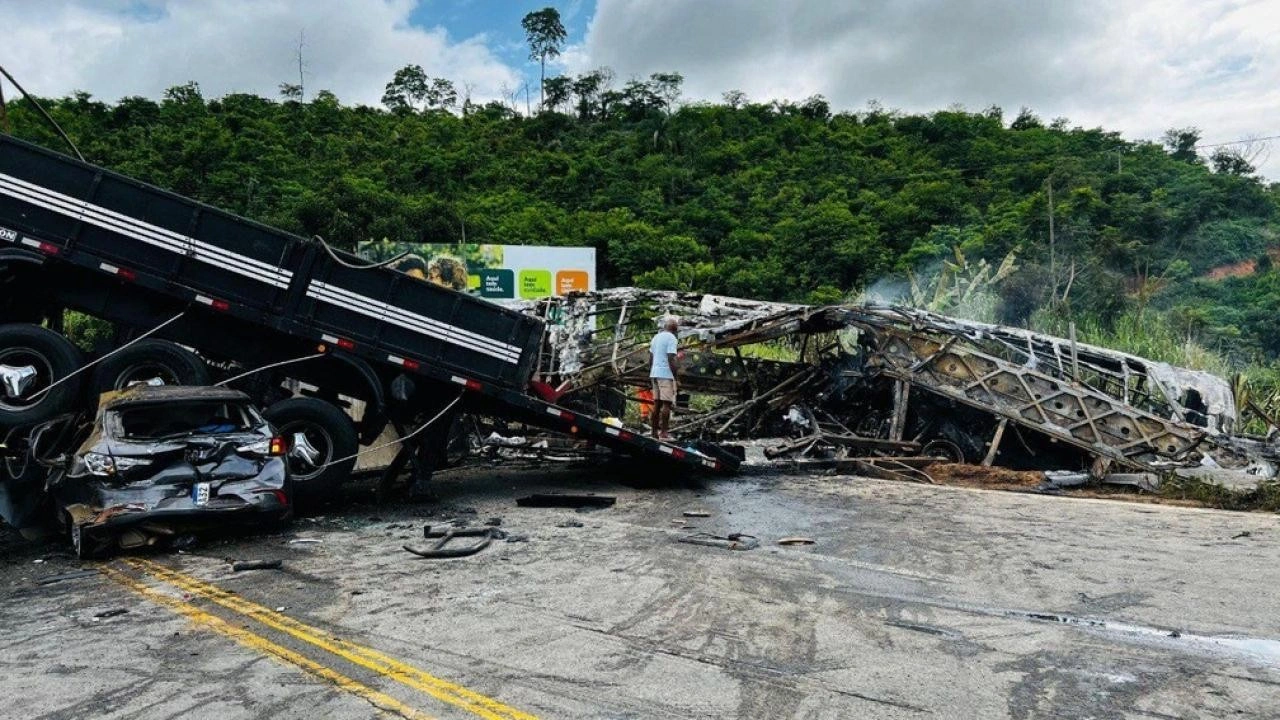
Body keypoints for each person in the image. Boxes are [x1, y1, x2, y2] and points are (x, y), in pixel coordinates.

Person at [648, 317, 680, 439]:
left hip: (655, 373)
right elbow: (671, 358)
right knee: (667, 404)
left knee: (657, 404)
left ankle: (654, 432)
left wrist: (652, 372)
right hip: (666, 374)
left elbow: (650, 358)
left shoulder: (656, 338)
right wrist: (675, 377)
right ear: (674, 329)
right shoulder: (671, 338)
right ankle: (664, 432)